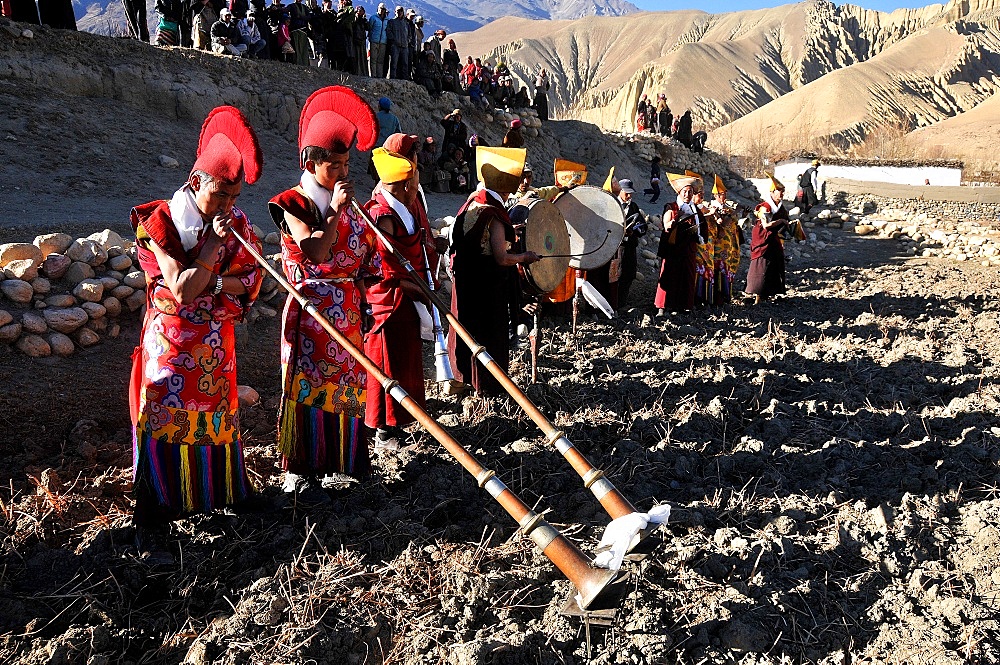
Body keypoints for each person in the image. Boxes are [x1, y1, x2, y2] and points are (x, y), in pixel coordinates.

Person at [129, 106, 264, 556]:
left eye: (234, 196)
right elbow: (182, 291)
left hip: (215, 349)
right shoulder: (158, 224)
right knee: (167, 421)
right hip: (169, 349)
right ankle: (156, 515)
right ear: (195, 182)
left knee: (218, 422)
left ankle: (220, 494)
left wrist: (213, 280)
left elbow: (250, 283)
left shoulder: (238, 224)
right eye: (219, 195)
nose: (227, 206)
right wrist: (211, 252)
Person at [268, 86, 381, 498]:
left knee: (346, 387)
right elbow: (315, 250)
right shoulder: (290, 203)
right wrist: (333, 209)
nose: (342, 172)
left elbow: (361, 250)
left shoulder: (348, 202)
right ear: (311, 161)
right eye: (333, 164)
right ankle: (301, 466)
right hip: (312, 314)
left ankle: (346, 459)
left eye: (346, 163)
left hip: (348, 310)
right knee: (307, 386)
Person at [362, 135, 438, 447]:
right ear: (404, 184)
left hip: (408, 293)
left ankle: (401, 420)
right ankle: (383, 429)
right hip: (389, 299)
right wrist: (416, 288)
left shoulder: (404, 205)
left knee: (405, 359)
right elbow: (384, 267)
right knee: (386, 361)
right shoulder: (382, 214)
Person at [447, 147, 539, 396]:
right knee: (488, 334)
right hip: (486, 287)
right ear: (504, 188)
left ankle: (462, 378)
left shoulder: (473, 203)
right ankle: (488, 386)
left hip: (467, 282)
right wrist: (525, 256)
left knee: (467, 330)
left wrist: (511, 229)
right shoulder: (494, 214)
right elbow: (502, 257)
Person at [654, 172, 703, 316]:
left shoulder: (695, 209)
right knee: (669, 275)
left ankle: (682, 305)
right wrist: (678, 217)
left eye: (691, 192)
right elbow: (666, 226)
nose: (688, 194)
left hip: (688, 248)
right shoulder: (671, 207)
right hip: (673, 248)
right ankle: (662, 307)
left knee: (686, 276)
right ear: (679, 192)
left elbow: (702, 227)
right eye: (685, 191)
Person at [746, 174, 789, 305]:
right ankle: (757, 294)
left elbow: (785, 222)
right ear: (772, 192)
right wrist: (781, 220)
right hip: (763, 239)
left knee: (774, 265)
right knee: (761, 267)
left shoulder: (781, 207)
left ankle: (768, 293)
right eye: (778, 191)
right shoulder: (765, 207)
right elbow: (766, 225)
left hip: (774, 240)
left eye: (782, 192)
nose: (781, 194)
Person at [708, 174, 741, 305]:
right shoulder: (712, 207)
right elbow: (721, 223)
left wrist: (741, 214)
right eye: (721, 194)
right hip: (718, 245)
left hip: (730, 243)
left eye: (725, 193)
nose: (724, 196)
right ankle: (717, 297)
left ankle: (727, 295)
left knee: (727, 270)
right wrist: (734, 212)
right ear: (715, 195)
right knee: (718, 270)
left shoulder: (727, 207)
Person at [616, 178, 646, 307]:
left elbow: (642, 225)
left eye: (631, 193)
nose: (629, 196)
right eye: (626, 193)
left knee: (628, 274)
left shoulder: (634, 206)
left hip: (629, 246)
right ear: (620, 191)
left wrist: (636, 230)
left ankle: (622, 301)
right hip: (615, 247)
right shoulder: (613, 204)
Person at [386, 5, 409, 79]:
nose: (399, 12)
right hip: (395, 46)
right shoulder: (391, 22)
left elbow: (409, 34)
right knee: (393, 63)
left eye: (401, 11)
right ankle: (392, 78)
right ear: (395, 12)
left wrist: (407, 41)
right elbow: (388, 31)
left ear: (403, 12)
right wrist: (393, 40)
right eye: (398, 11)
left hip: (405, 46)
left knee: (405, 64)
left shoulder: (405, 23)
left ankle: (404, 79)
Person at [367, 3, 390, 77]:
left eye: (383, 9)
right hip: (374, 41)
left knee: (380, 60)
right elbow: (370, 28)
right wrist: (371, 38)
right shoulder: (373, 18)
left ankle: (379, 76)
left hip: (383, 42)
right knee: (373, 59)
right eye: (380, 8)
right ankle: (373, 75)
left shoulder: (387, 20)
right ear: (378, 8)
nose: (382, 10)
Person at [287, 0, 310, 66]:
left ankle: (304, 64)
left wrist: (300, 17)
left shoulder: (304, 7)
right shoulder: (291, 6)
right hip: (294, 31)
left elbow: (309, 17)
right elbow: (286, 10)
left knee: (303, 49)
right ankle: (297, 64)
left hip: (303, 31)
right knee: (296, 49)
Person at [352, 5, 368, 75]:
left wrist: (365, 20)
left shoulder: (363, 20)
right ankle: (357, 72)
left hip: (362, 40)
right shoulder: (354, 19)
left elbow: (367, 28)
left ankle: (363, 72)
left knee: (363, 58)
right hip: (356, 40)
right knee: (357, 57)